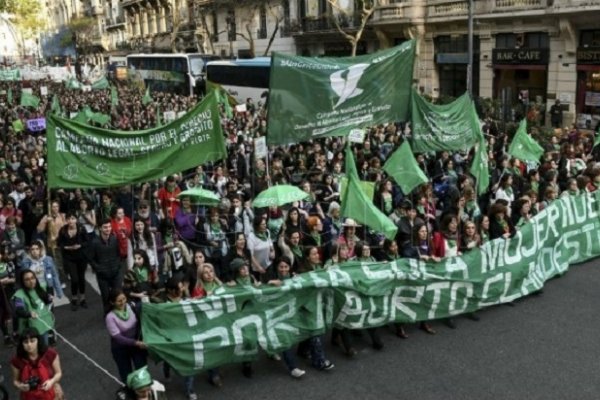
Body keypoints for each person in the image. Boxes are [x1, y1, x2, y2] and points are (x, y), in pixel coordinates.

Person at [105, 289, 148, 384]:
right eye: (119, 301)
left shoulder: (131, 306)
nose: (123, 302)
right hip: (121, 349)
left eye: (124, 299)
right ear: (112, 302)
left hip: (136, 345)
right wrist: (136, 343)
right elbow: (118, 337)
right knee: (126, 375)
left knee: (142, 370)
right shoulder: (110, 317)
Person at [11, 328, 63, 400]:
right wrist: (21, 386)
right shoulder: (17, 361)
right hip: (29, 397)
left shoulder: (50, 354)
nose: (29, 345)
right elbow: (15, 381)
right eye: (26, 342)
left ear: (38, 341)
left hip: (51, 394)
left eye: (32, 341)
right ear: (22, 344)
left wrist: (51, 381)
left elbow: (58, 373)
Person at [89, 220, 124, 313]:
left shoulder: (114, 239)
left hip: (116, 272)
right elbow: (91, 259)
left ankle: (120, 313)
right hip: (102, 275)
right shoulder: (94, 242)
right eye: (105, 227)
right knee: (106, 297)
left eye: (109, 227)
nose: (108, 229)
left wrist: (118, 266)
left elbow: (118, 254)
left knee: (118, 294)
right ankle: (108, 316)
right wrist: (99, 269)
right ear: (100, 228)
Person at [12, 270, 54, 345]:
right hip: (31, 330)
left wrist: (49, 298)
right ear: (22, 282)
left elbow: (45, 299)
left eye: (32, 278)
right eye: (27, 279)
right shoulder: (19, 295)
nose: (31, 281)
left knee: (45, 346)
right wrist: (29, 313)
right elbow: (19, 310)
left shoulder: (40, 287)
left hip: (44, 325)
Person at [57, 212, 88, 310]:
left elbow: (87, 241)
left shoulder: (82, 229)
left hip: (81, 257)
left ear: (76, 219)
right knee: (74, 279)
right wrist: (67, 247)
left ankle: (83, 298)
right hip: (69, 257)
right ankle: (74, 298)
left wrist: (80, 245)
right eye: (69, 219)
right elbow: (59, 244)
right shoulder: (62, 230)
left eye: (73, 218)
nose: (71, 221)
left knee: (81, 278)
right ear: (66, 220)